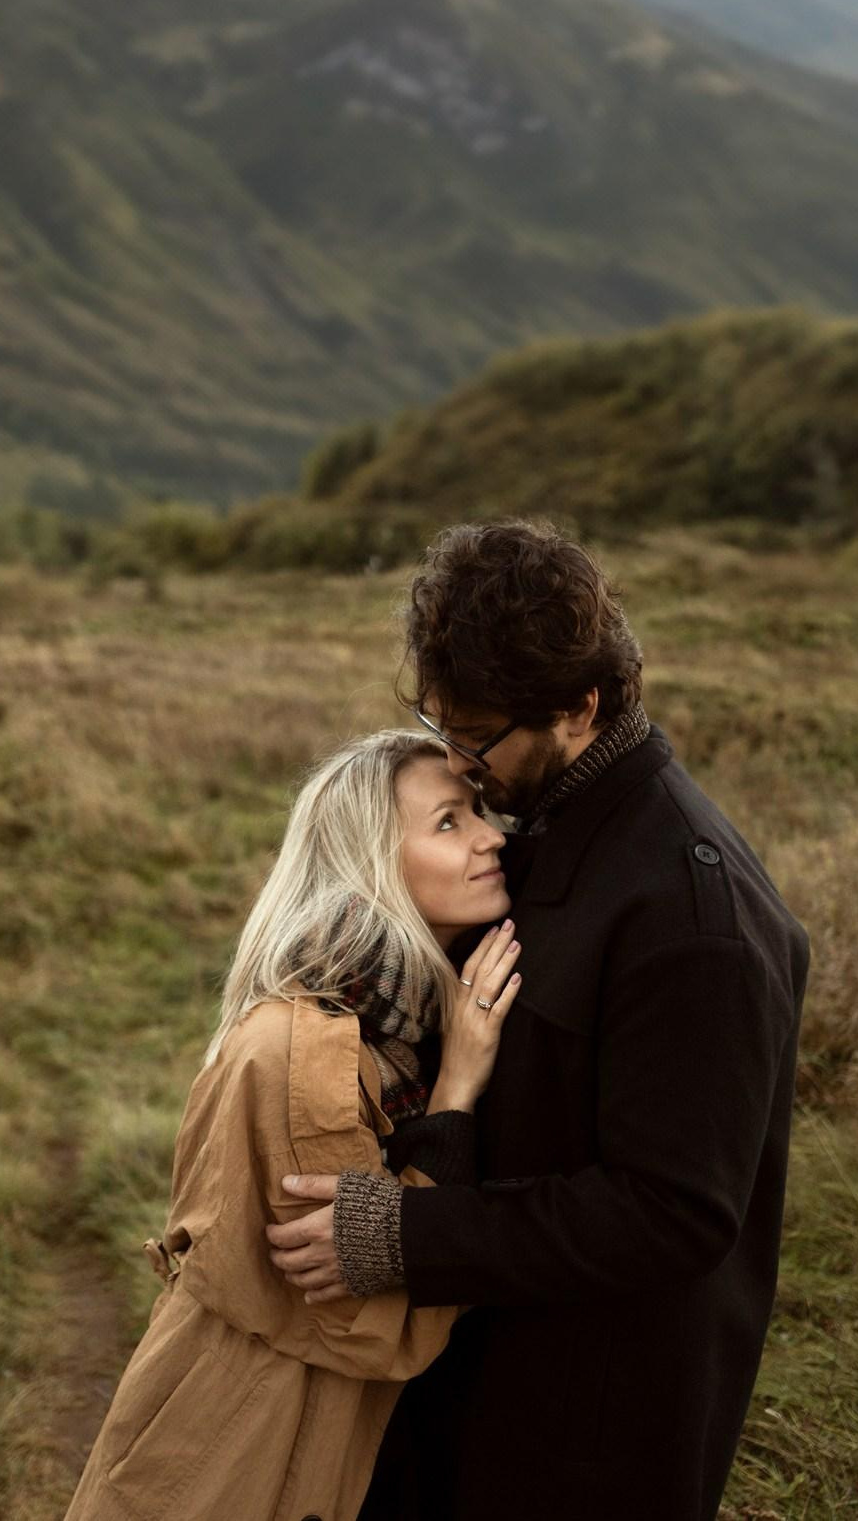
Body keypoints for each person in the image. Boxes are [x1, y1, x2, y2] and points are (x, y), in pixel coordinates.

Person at [266, 519, 812, 1521]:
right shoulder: (542, 823)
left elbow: (674, 1210)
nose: (456, 761)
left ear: (578, 705)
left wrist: (410, 1235)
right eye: (440, 725)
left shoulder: (698, 923)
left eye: (473, 735)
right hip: (472, 1388)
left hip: (586, 1438)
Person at [66, 730, 523, 1521]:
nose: (491, 836)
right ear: (372, 861)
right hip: (227, 1462)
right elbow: (375, 1325)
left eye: (479, 810)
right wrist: (455, 1095)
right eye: (449, 821)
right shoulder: (310, 1048)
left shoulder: (387, 1026)